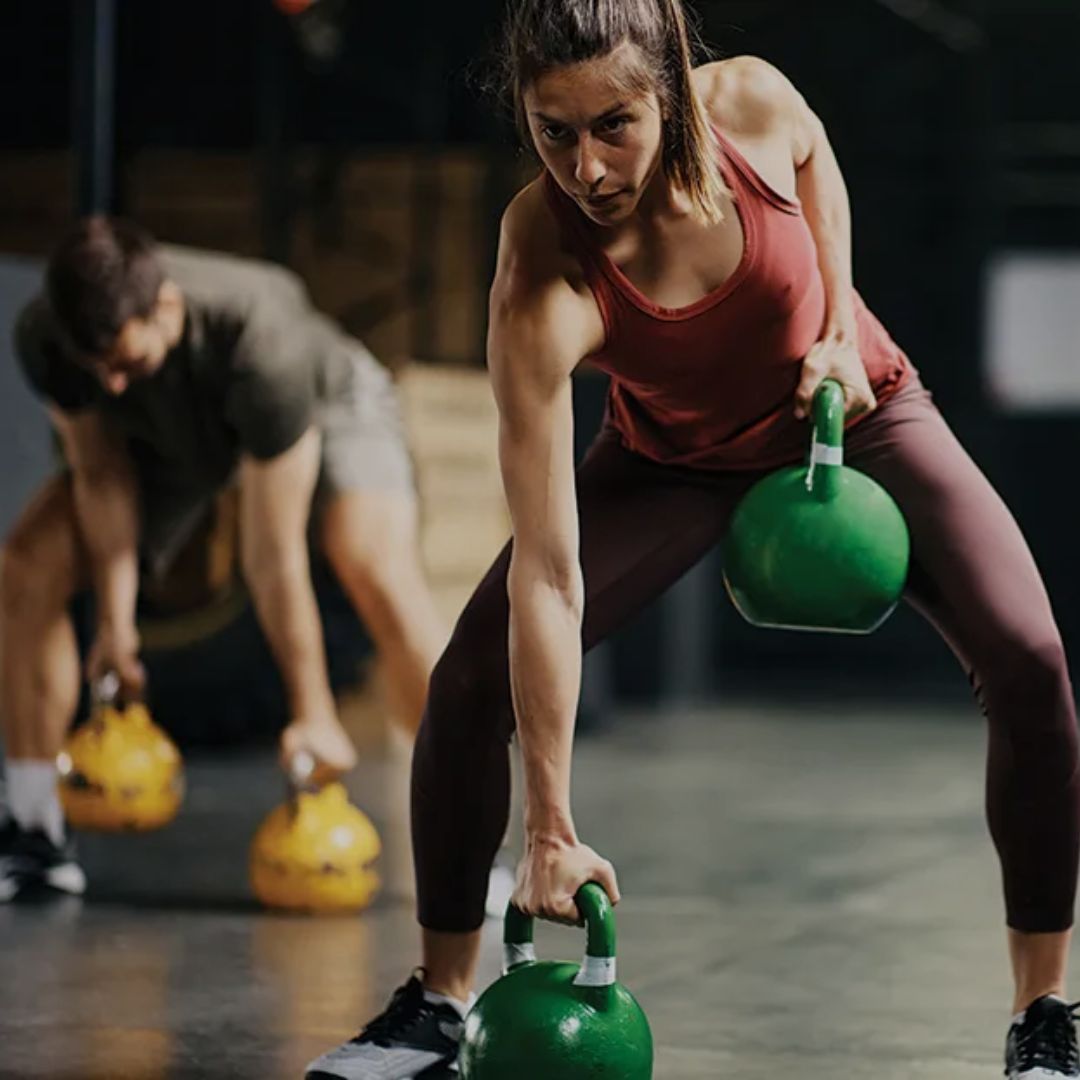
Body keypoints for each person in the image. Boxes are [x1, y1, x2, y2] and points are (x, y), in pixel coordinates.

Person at [305, 1, 1080, 1077]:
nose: (587, 166)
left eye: (613, 124)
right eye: (553, 131)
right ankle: (439, 1001)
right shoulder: (542, 270)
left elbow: (819, 161)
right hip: (674, 460)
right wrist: (549, 825)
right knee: (470, 676)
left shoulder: (751, 104)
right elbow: (550, 570)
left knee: (1032, 661)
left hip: (858, 411)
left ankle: (1044, 1013)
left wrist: (837, 328)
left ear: (670, 85)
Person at [0, 217, 447, 901]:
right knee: (26, 566)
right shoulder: (53, 338)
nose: (111, 385)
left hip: (324, 405)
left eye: (127, 363)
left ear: (168, 308)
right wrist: (116, 629)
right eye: (99, 371)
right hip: (172, 434)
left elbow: (271, 556)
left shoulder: (264, 341)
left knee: (373, 562)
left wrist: (312, 711)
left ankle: (467, 839)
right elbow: (102, 476)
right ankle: (34, 831)